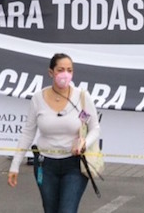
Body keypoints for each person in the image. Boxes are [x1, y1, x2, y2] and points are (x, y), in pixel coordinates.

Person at [8, 53, 100, 213]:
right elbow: (28, 133)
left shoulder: (82, 97)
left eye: (69, 70)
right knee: (50, 210)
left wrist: (84, 142)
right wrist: (14, 165)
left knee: (67, 210)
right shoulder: (38, 98)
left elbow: (95, 128)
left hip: (74, 165)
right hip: (45, 165)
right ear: (51, 72)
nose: (65, 74)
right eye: (61, 70)